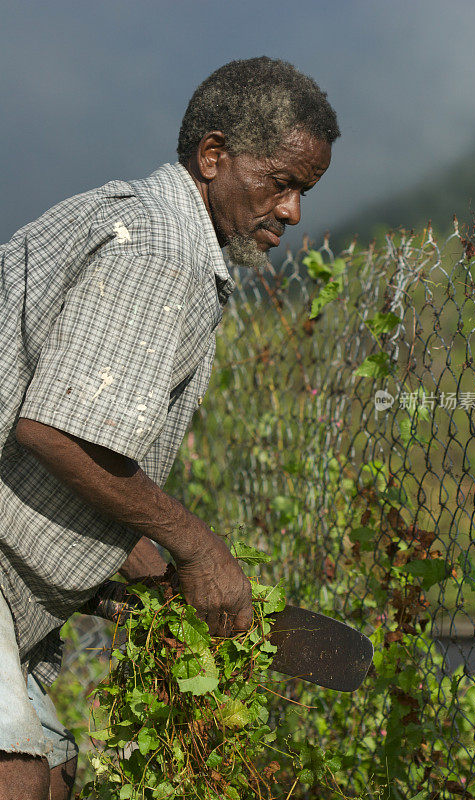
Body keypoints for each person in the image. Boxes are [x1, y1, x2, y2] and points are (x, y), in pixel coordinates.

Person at [0, 56, 339, 799]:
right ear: (213, 156)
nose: (292, 213)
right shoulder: (160, 251)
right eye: (281, 182)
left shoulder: (149, 225)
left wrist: (136, 556)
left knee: (56, 778)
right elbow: (54, 430)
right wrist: (198, 547)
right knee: (17, 777)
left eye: (304, 192)